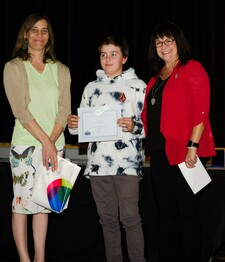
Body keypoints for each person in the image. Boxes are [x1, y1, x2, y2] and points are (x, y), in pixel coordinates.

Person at [141, 21, 216, 262]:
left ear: (178, 42)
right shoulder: (155, 79)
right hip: (160, 153)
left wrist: (192, 147)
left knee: (187, 214)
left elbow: (201, 111)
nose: (163, 46)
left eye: (168, 41)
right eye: (158, 42)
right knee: (165, 214)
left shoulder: (191, 68)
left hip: (185, 152)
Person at [67, 35, 146, 262]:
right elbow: (80, 128)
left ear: (125, 57)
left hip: (127, 165)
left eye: (113, 54)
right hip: (98, 165)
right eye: (103, 54)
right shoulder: (91, 88)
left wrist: (135, 125)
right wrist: (74, 125)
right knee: (107, 220)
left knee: (130, 218)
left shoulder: (137, 86)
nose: (108, 58)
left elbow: (150, 126)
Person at [3, 13, 71, 262]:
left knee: (44, 204)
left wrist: (51, 144)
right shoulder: (13, 67)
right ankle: (24, 258)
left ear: (49, 36)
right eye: (34, 30)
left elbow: (64, 111)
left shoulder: (61, 70)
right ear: (25, 34)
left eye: (44, 30)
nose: (39, 35)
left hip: (55, 146)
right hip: (26, 146)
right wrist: (45, 143)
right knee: (21, 203)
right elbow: (21, 110)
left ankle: (40, 257)